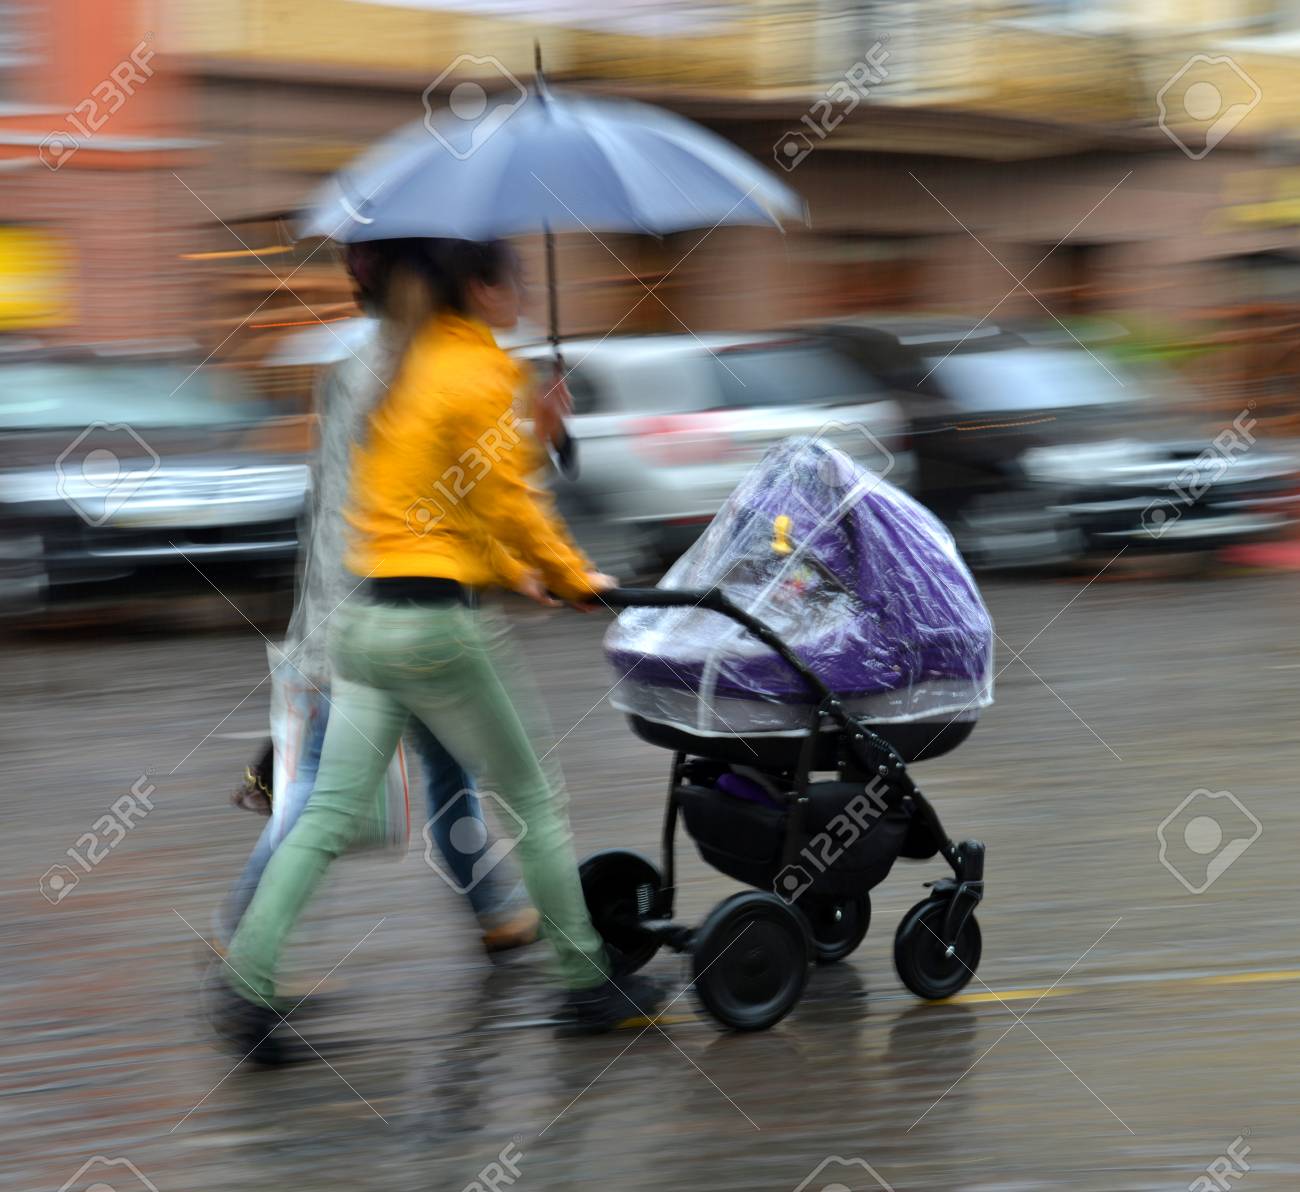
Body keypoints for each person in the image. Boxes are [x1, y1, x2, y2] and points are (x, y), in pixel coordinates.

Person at [209, 237, 662, 1057]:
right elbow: (508, 502)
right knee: (532, 799)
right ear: (483, 288)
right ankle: (587, 980)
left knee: (327, 814)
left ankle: (246, 986)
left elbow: (436, 511)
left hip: (369, 621)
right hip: (432, 629)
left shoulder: (401, 365)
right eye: (514, 280)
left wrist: (511, 572)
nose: (522, 293)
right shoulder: (481, 368)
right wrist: (569, 575)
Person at [214, 240, 539, 957]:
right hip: (385, 613)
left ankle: (494, 906)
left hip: (383, 608)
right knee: (327, 796)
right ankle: (245, 931)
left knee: (450, 769)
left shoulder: (362, 370)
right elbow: (474, 500)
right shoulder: (411, 373)